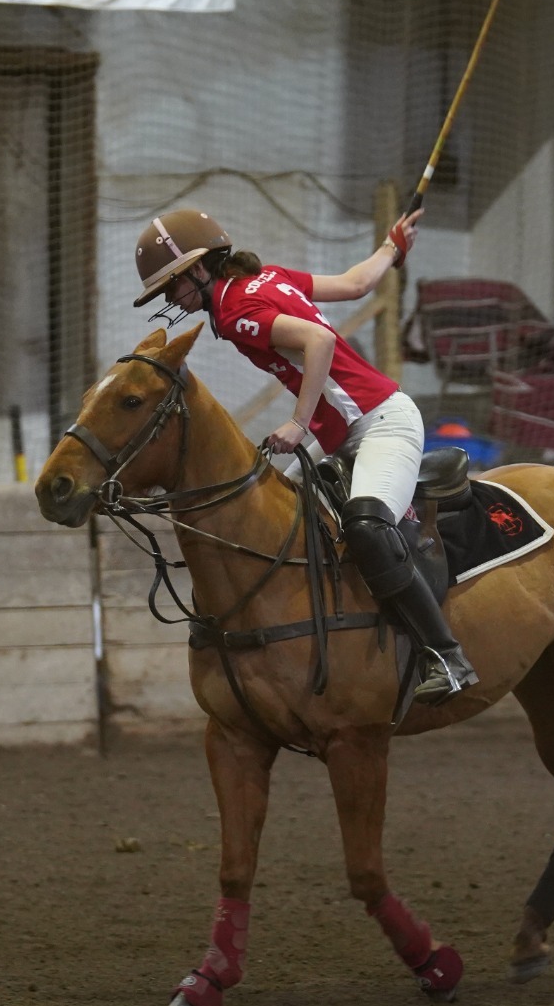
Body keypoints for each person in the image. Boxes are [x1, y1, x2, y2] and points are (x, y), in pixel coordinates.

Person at [129, 208, 478, 704]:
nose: (170, 298)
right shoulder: (263, 276)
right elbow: (357, 284)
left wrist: (297, 421)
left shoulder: (233, 313)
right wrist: (392, 248)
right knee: (275, 506)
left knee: (365, 526)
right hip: (340, 428)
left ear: (199, 269)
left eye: (172, 285)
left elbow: (319, 341)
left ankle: (447, 656)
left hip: (380, 421)